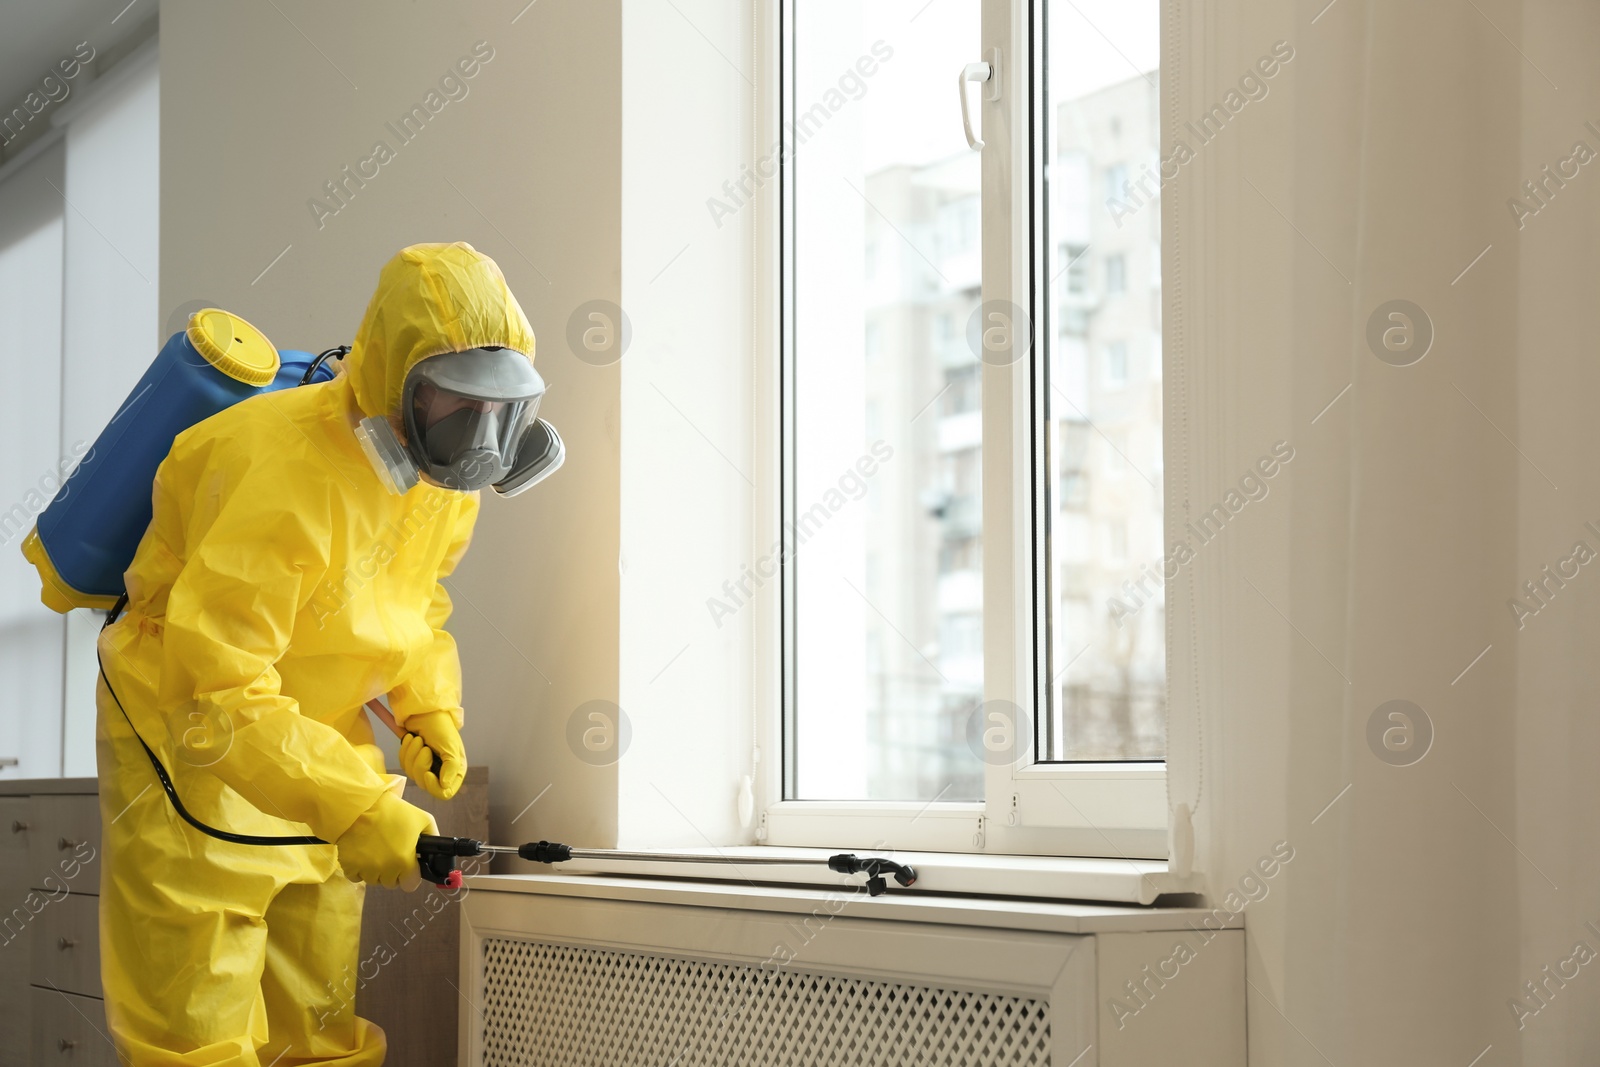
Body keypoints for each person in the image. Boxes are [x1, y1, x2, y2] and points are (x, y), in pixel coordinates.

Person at [95, 242, 545, 1066]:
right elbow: (220, 692)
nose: (478, 433)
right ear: (400, 377)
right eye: (455, 398)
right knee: (198, 1021)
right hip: (187, 733)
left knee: (318, 1016)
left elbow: (417, 607)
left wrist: (428, 706)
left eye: (499, 406)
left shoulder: (441, 485)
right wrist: (363, 811)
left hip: (317, 740)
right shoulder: (273, 465)